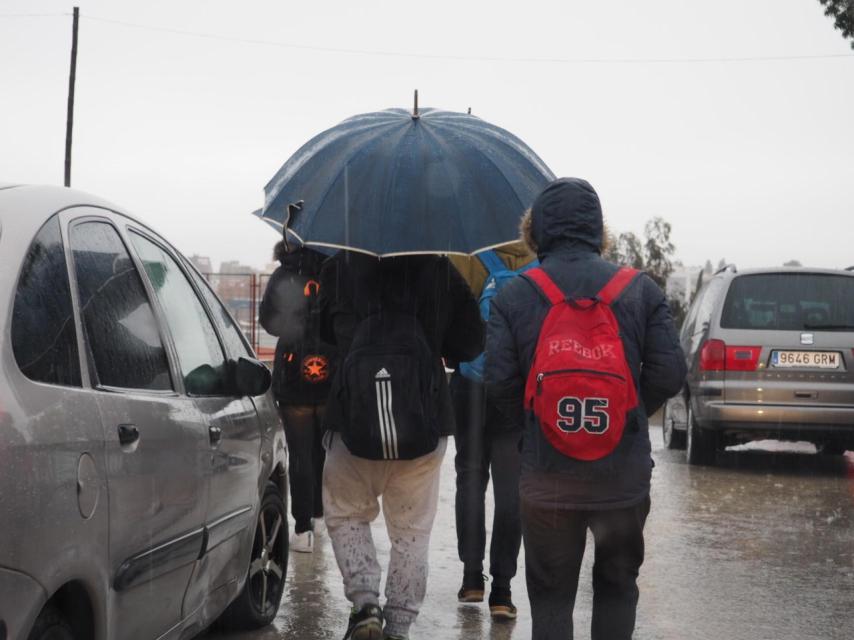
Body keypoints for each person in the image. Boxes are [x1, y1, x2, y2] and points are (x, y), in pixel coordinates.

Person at [484, 178, 686, 640]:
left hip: (548, 478)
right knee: (617, 587)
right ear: (599, 230)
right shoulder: (640, 290)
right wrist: (629, 414)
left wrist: (537, 427)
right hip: (621, 479)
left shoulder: (515, 294)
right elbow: (670, 374)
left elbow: (499, 383)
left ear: (535, 230)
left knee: (551, 599)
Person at [319, 251, 483, 640]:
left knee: (346, 514)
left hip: (352, 416)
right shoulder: (438, 268)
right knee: (411, 531)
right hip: (423, 419)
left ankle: (365, 605)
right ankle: (399, 625)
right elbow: (470, 343)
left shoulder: (339, 265)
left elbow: (320, 333)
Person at [448, 242, 535, 618]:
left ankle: (471, 577)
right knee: (511, 487)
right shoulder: (539, 265)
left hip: (470, 384)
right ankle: (502, 590)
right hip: (515, 388)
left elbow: (448, 321)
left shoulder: (463, 256)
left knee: (470, 477)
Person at [259, 237, 336, 553]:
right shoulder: (335, 272)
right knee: (324, 452)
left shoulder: (284, 274)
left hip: (293, 371)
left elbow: (268, 322)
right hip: (331, 369)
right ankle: (320, 515)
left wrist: (294, 322)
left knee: (300, 455)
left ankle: (303, 530)